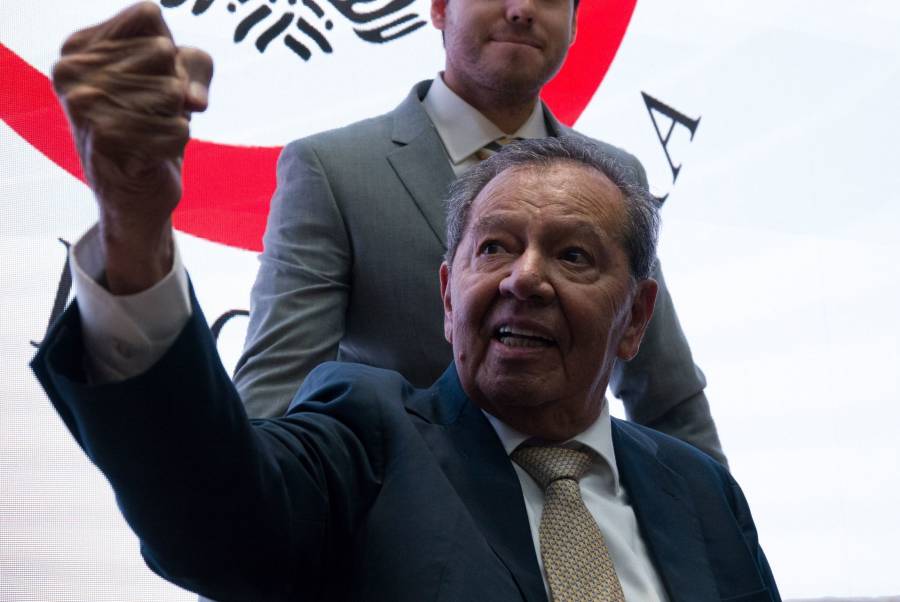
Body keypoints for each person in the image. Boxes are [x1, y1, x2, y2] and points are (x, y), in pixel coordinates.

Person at [34, 6, 777, 597]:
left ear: (634, 313)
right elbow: (236, 488)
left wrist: (700, 511)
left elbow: (670, 397)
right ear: (446, 292)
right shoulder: (364, 441)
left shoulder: (699, 495)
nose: (525, 279)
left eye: (574, 254)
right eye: (494, 247)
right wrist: (134, 231)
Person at [231, 0, 728, 464]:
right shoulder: (332, 170)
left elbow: (667, 394)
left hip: (575, 507)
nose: (522, 10)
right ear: (439, 8)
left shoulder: (615, 178)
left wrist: (718, 523)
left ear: (576, 24)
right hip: (393, 511)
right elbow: (277, 393)